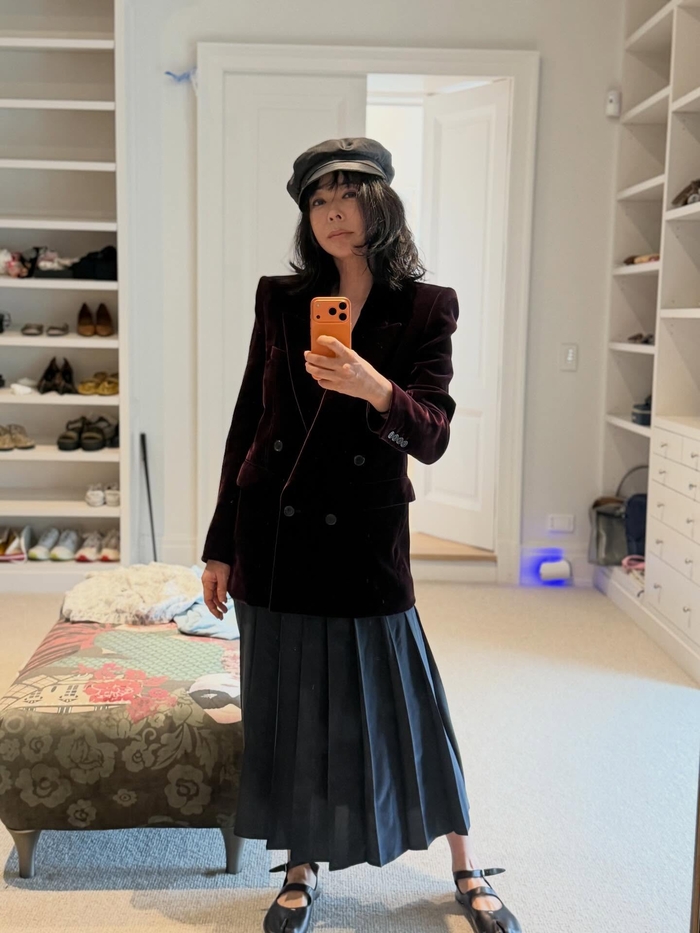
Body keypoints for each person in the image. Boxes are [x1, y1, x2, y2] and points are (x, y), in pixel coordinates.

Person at [201, 138, 522, 933]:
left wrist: (376, 388)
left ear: (380, 204)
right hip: (274, 535)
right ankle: (300, 868)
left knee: (408, 706)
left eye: (347, 194)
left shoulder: (427, 306)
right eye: (318, 199)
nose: (333, 211)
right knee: (293, 710)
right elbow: (249, 419)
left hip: (364, 542)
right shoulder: (281, 299)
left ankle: (466, 862)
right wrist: (219, 543)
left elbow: (433, 433)